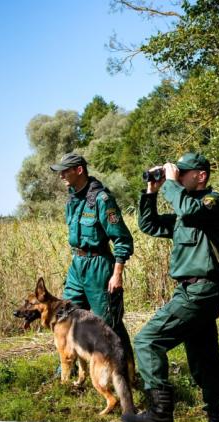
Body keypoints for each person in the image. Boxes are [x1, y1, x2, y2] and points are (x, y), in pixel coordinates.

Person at [122, 152, 219, 422]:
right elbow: (150, 225)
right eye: (177, 173)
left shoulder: (211, 203)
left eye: (184, 173)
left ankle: (160, 412)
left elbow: (191, 211)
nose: (179, 177)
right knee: (203, 357)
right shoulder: (186, 210)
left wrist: (171, 183)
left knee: (148, 340)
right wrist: (151, 192)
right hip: (190, 290)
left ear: (201, 176)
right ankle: (218, 419)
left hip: (202, 291)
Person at [49, 152, 135, 373]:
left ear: (79, 170)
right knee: (64, 315)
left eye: (65, 170)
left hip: (99, 266)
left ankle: (125, 371)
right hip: (77, 265)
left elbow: (122, 239)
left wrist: (117, 274)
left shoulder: (101, 199)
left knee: (107, 324)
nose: (61, 176)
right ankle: (67, 373)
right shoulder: (72, 200)